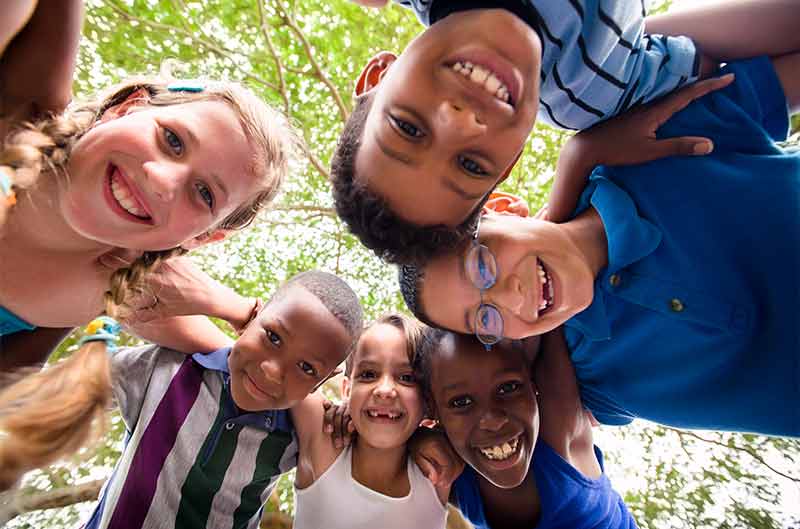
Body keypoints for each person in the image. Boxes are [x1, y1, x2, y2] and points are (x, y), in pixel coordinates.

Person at [399, 53, 800, 438]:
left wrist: (582, 153)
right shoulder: (584, 378)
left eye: (482, 267)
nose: (511, 299)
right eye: (485, 318)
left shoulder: (653, 143)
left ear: (502, 208)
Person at [331, 0, 798, 264]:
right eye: (471, 165)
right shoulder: (594, 93)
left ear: (378, 76)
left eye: (408, 128)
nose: (460, 122)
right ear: (511, 160)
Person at [0, 270, 364, 529]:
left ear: (321, 384)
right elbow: (127, 278)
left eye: (305, 367)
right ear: (250, 320)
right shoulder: (167, 370)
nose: (272, 371)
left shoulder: (299, 439)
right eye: (272, 336)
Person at [414, 328, 637, 528]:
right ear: (432, 410)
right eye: (461, 402)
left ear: (533, 385)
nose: (492, 420)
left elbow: (551, 321)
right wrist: (418, 441)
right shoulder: (449, 473)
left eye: (508, 387)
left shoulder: (558, 427)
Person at [291, 314, 448, 529]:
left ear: (428, 401)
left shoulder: (440, 467)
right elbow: (260, 356)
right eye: (368, 374)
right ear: (347, 390)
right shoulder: (323, 439)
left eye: (407, 378)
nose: (384, 390)